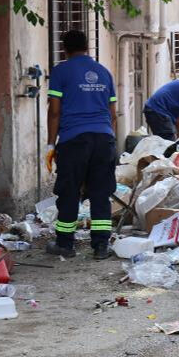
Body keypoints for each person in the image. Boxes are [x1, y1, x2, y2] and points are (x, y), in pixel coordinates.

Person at [44, 30, 118, 259]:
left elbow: (55, 111)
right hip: (104, 139)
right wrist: (110, 142)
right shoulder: (104, 72)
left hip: (74, 140)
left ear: (64, 49)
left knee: (69, 192)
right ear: (87, 47)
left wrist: (50, 144)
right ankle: (101, 246)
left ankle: (65, 244)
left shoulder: (61, 71)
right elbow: (113, 114)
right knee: (100, 193)